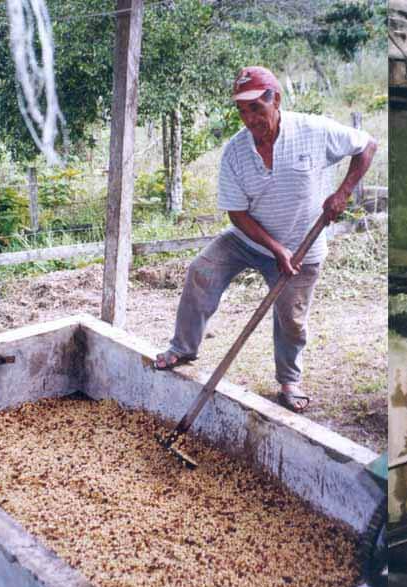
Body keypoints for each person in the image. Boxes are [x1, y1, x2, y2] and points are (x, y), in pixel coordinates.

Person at [154, 65, 377, 413]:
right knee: (201, 270)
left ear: (276, 100)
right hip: (249, 239)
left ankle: (289, 380)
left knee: (291, 318)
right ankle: (183, 347)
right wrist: (275, 248)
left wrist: (343, 192)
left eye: (256, 108)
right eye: (242, 111)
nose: (249, 119)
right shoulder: (235, 152)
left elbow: (367, 145)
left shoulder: (313, 130)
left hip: (303, 247)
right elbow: (236, 214)